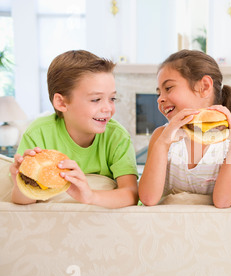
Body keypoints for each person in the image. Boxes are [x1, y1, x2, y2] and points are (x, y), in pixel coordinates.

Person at [10, 50, 139, 208]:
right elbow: (23, 201)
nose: (108, 108)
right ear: (62, 103)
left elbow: (132, 194)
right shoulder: (39, 133)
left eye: (112, 98)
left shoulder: (116, 137)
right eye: (96, 99)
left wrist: (90, 196)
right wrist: (21, 181)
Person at [138, 50, 231, 208]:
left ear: (204, 86)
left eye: (168, 88)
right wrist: (162, 144)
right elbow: (148, 198)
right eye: (158, 93)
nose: (160, 98)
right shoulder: (161, 136)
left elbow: (223, 202)